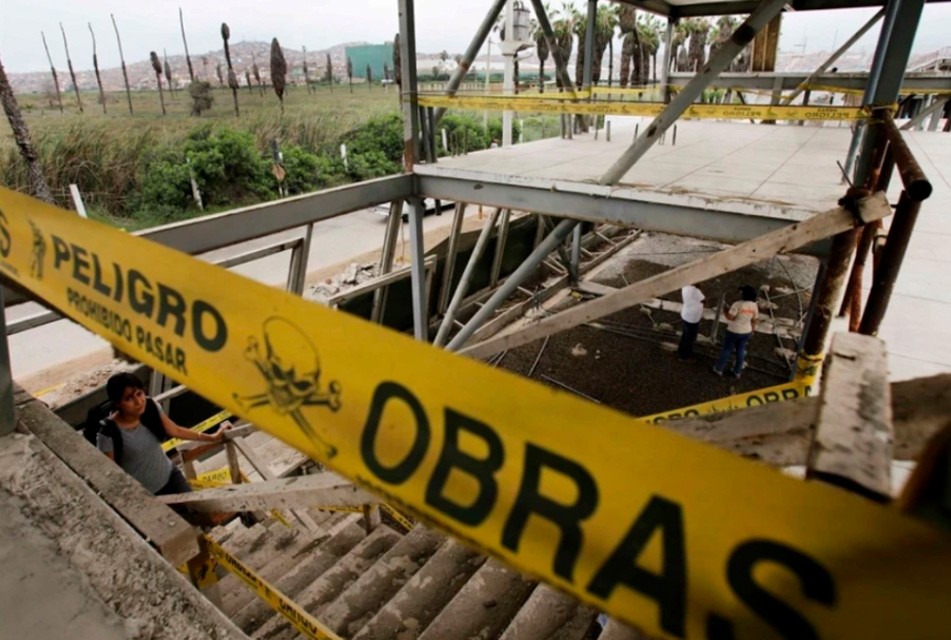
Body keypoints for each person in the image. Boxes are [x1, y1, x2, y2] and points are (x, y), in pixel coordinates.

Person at [98, 372, 227, 496]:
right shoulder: (108, 433)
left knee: (195, 507)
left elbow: (176, 430)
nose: (138, 402)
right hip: (145, 495)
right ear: (117, 404)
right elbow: (112, 474)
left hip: (171, 476)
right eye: (129, 398)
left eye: (139, 393)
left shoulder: (150, 407)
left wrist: (212, 437)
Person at [712, 285, 759, 378]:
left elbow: (730, 317)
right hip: (746, 331)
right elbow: (754, 320)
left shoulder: (737, 304)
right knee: (741, 351)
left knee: (727, 349)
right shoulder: (754, 305)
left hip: (734, 330)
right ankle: (737, 371)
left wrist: (725, 310)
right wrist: (752, 331)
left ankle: (719, 368)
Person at [678, 285, 705, 360]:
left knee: (685, 335)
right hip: (692, 318)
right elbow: (703, 300)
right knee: (690, 339)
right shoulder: (695, 291)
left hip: (686, 314)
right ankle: (685, 356)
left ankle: (680, 352)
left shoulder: (685, 286)